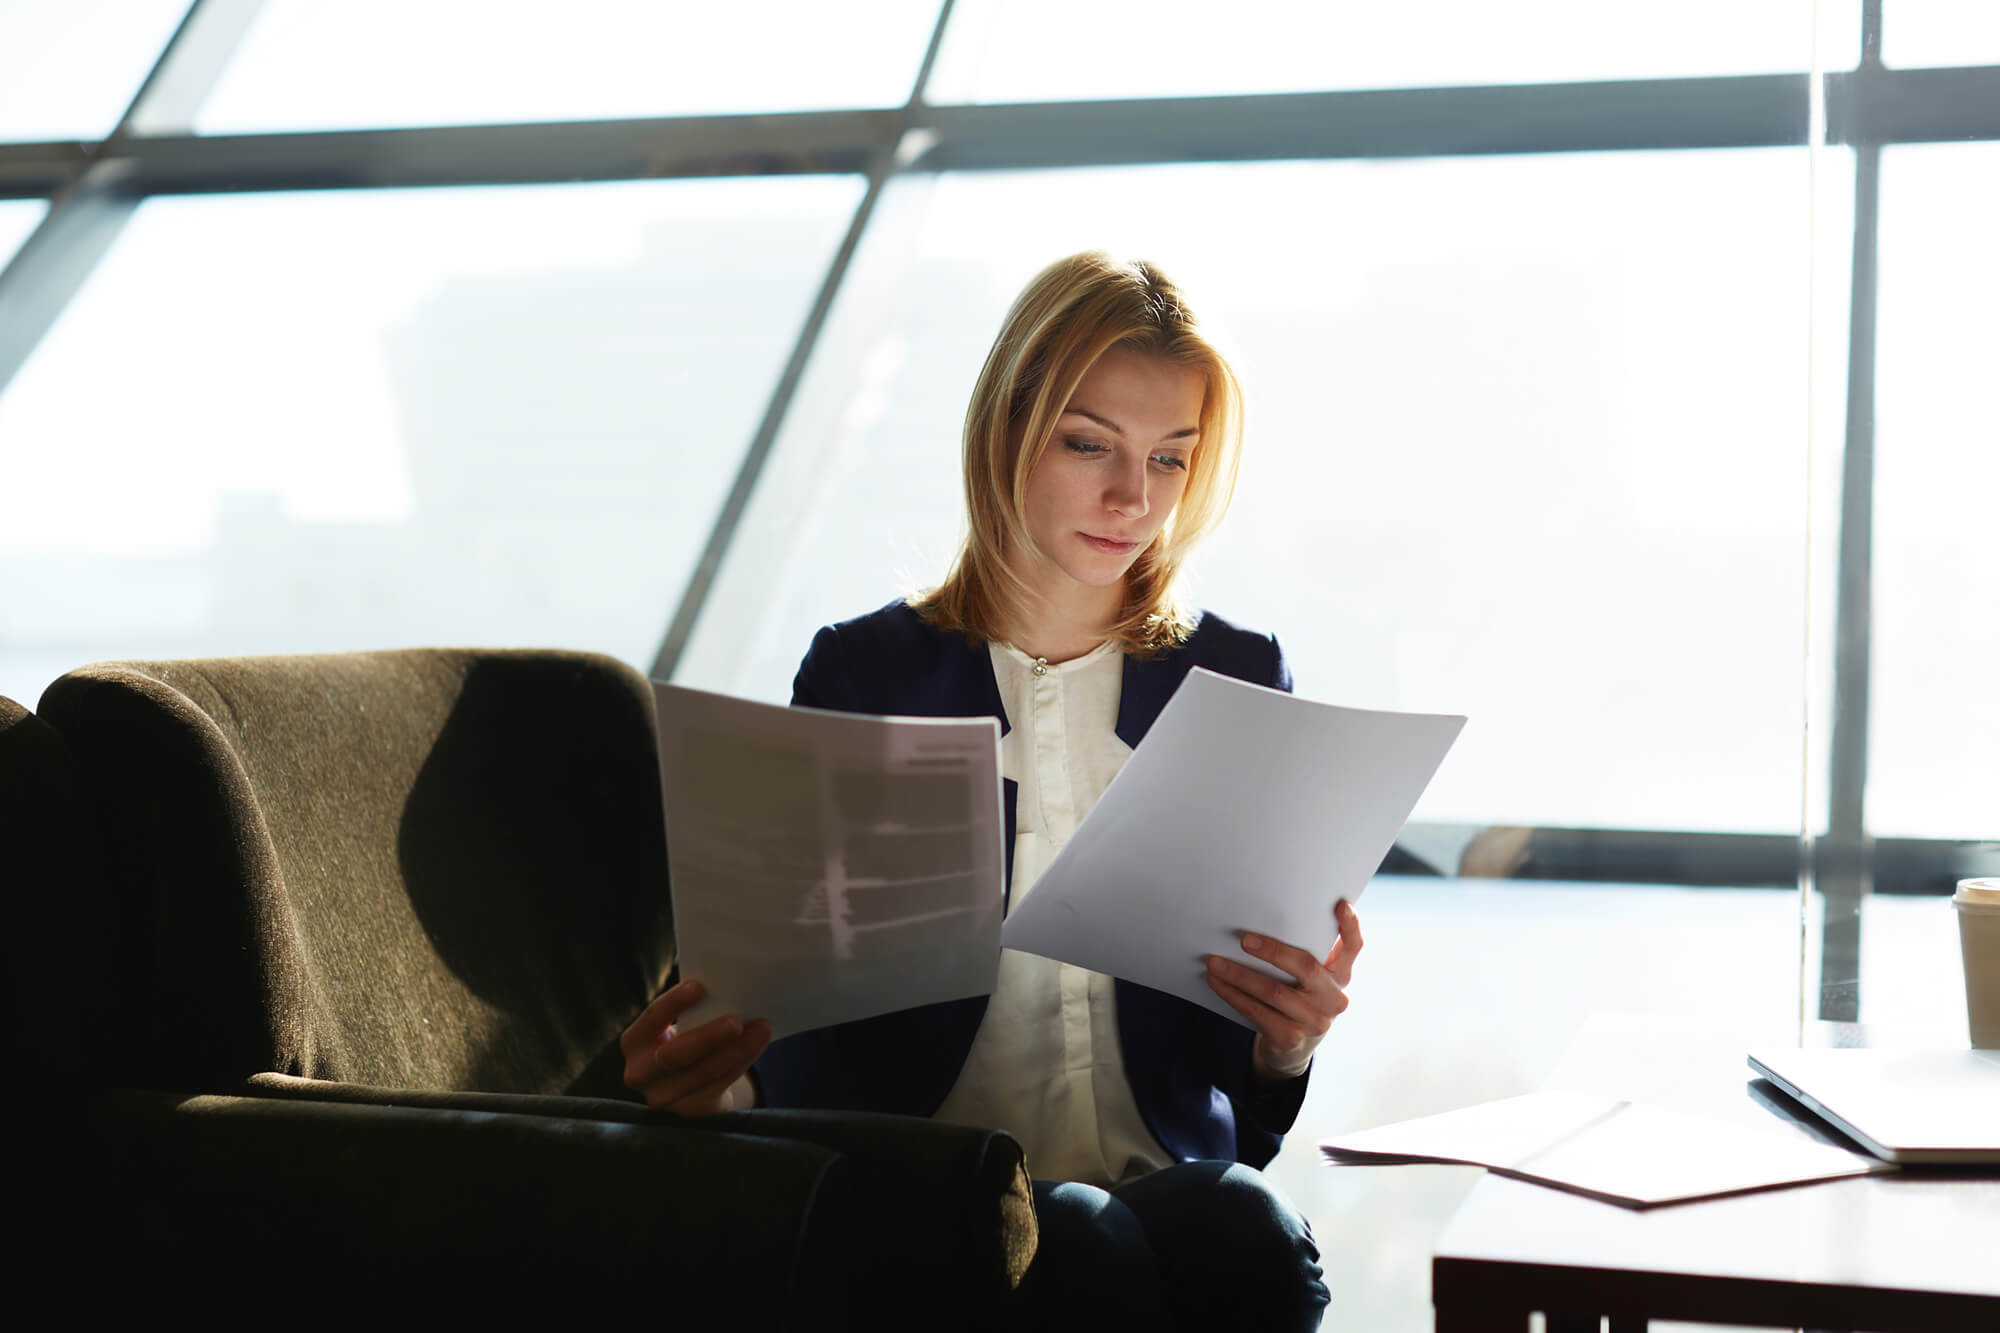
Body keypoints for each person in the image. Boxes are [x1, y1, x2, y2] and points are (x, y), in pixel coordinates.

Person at [621, 252, 1359, 1330]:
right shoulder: (863, 673)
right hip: (936, 1171)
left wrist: (1284, 1037)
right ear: (1006, 431)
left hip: (1163, 1167)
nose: (1131, 498)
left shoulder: (1233, 677)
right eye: (1087, 443)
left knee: (1246, 1231)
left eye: (1168, 457)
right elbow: (806, 1001)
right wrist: (717, 1085)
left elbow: (1238, 1099)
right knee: (1072, 1244)